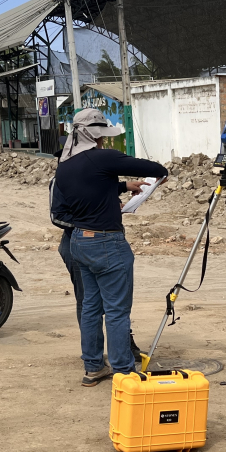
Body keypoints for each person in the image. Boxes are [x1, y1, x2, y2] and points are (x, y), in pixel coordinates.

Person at [55, 109, 168, 386]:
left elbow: (90, 188)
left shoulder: (65, 165)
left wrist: (121, 186)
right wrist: (161, 175)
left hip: (80, 241)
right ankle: (123, 372)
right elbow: (154, 168)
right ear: (97, 136)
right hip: (108, 243)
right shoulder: (102, 157)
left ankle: (93, 367)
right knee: (117, 310)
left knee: (91, 307)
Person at [49, 154, 144, 362]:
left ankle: (117, 351)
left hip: (103, 239)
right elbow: (57, 216)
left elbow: (100, 195)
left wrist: (122, 189)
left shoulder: (97, 174)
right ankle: (102, 361)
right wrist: (90, 223)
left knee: (110, 303)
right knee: (91, 304)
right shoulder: (61, 179)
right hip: (81, 242)